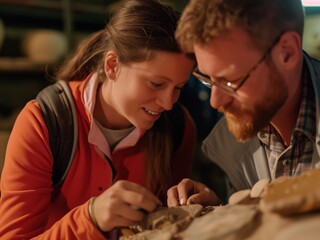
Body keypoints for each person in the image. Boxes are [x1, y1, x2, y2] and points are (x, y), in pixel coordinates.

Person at [0, 0, 196, 239]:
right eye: (156, 84)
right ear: (113, 65)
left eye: (179, 88)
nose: (168, 103)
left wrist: (197, 209)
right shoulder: (43, 123)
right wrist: (91, 218)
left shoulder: (179, 125)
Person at [167, 0, 320, 207]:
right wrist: (227, 213)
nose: (216, 102)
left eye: (230, 81)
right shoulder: (232, 140)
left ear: (287, 53)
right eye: (208, 80)